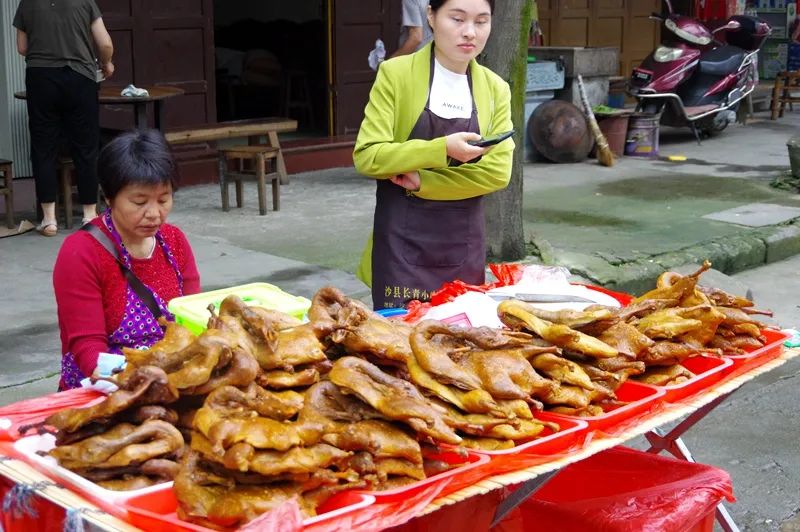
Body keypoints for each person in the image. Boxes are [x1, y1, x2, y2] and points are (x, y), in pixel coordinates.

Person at [353, 0, 513, 309]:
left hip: (461, 243)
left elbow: (497, 172)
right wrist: (441, 149)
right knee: (394, 344)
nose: (469, 32)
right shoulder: (395, 74)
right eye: (457, 19)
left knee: (459, 343)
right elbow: (369, 155)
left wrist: (423, 181)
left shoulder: (496, 90)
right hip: (400, 242)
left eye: (481, 22)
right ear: (431, 16)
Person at [53, 129, 200, 390]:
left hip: (171, 383)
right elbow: (88, 348)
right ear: (109, 197)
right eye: (139, 202)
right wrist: (137, 380)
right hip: (105, 388)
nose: (154, 213)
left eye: (163, 199)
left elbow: (193, 319)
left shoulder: (175, 242)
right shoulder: (81, 252)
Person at [13, 0, 115, 237]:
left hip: (41, 79)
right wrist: (106, 63)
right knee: (86, 146)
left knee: (43, 147)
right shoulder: (85, 2)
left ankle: (49, 219)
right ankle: (89, 215)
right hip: (80, 79)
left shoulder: (27, 3)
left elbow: (21, 47)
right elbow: (105, 43)